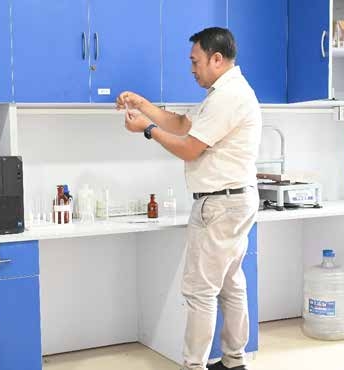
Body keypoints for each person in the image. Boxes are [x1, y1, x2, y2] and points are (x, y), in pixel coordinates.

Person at [116, 27, 261, 370]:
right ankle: (234, 360)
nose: (192, 68)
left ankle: (193, 365)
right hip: (234, 200)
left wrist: (147, 130)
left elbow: (190, 147)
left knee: (200, 291)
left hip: (221, 204)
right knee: (229, 284)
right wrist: (143, 105)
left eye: (195, 61)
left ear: (216, 58)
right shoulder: (223, 93)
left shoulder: (228, 96)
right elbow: (182, 124)